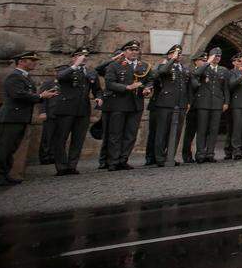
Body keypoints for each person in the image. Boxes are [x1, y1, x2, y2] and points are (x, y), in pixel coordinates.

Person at [0, 51, 57, 186]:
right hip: (10, 118)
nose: (34, 63)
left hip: (19, 117)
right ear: (21, 61)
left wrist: (41, 96)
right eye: (30, 60)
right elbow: (18, 95)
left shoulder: (25, 77)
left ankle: (5, 174)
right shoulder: (15, 76)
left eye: (34, 61)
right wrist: (40, 97)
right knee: (4, 148)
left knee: (11, 148)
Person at [99, 40, 149, 171]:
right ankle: (113, 161)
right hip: (118, 104)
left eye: (136, 50)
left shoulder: (143, 66)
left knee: (130, 134)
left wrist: (148, 88)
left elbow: (150, 79)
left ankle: (123, 159)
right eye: (130, 50)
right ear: (124, 52)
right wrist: (127, 87)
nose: (134, 52)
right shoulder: (115, 65)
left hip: (136, 104)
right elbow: (110, 83)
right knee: (115, 134)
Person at [50, 48, 99, 176]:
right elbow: (60, 77)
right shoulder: (65, 69)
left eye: (85, 55)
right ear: (73, 57)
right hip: (66, 109)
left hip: (82, 110)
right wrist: (75, 65)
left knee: (78, 139)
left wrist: (99, 97)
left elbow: (97, 89)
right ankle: (61, 166)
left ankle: (72, 165)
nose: (84, 57)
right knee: (60, 138)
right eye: (80, 55)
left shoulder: (90, 72)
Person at [147, 44, 190, 167]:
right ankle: (159, 157)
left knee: (176, 132)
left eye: (180, 54)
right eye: (176, 54)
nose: (179, 56)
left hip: (180, 103)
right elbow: (161, 72)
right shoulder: (164, 65)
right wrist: (171, 60)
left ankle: (170, 155)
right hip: (165, 103)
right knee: (162, 131)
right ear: (170, 54)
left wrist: (187, 102)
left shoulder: (183, 68)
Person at [189, 50, 227, 163]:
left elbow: (225, 88)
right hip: (203, 102)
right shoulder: (204, 67)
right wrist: (207, 63)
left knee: (214, 129)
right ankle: (200, 154)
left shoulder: (222, 70)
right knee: (202, 129)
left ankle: (210, 153)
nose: (217, 58)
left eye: (219, 56)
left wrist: (226, 102)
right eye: (215, 56)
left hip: (217, 102)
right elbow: (195, 74)